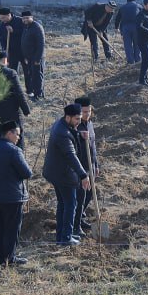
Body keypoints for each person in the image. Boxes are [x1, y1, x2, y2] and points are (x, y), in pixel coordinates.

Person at [0, 121, 32, 266]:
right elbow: (27, 173)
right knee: (11, 228)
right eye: (17, 134)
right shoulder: (13, 150)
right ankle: (9, 258)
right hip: (11, 197)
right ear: (9, 133)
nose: (18, 138)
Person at [42, 103, 90, 246]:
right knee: (70, 204)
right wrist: (83, 175)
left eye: (80, 118)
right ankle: (66, 237)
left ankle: (61, 237)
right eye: (76, 119)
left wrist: (78, 134)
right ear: (68, 117)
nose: (79, 122)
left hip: (56, 172)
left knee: (63, 204)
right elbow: (71, 155)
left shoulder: (62, 125)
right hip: (63, 175)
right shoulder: (63, 134)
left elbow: (71, 132)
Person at [73, 96, 100, 238]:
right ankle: (75, 225)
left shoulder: (89, 123)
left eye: (89, 111)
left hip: (90, 165)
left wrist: (96, 164)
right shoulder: (75, 127)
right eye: (84, 111)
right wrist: (79, 135)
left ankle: (80, 218)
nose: (87, 114)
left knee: (89, 194)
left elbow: (93, 146)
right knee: (80, 195)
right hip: (80, 167)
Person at [0, 51, 31, 146]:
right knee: (17, 141)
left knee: (0, 140)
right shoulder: (10, 73)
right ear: (5, 60)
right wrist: (26, 110)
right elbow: (19, 93)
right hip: (13, 113)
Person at [19, 11, 46, 100]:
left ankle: (39, 94)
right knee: (32, 75)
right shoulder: (26, 27)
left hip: (36, 57)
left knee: (37, 76)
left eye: (27, 18)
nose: (25, 20)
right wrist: (25, 57)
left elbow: (41, 44)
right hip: (29, 57)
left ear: (32, 18)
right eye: (23, 18)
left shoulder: (37, 27)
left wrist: (37, 59)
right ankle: (35, 93)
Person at [115, 0, 143, 64]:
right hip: (136, 27)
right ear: (134, 1)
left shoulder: (122, 7)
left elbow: (117, 18)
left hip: (125, 27)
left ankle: (130, 61)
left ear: (127, 1)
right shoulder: (139, 6)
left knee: (127, 45)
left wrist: (116, 28)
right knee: (137, 44)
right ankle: (137, 60)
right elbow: (143, 17)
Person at [0, 7, 22, 74]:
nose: (1, 19)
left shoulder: (19, 21)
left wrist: (13, 31)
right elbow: (2, 38)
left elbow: (25, 33)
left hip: (22, 50)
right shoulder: (2, 25)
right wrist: (3, 50)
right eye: (0, 18)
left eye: (3, 18)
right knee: (12, 69)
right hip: (10, 52)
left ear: (9, 15)